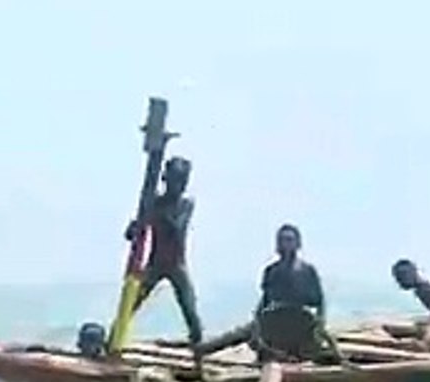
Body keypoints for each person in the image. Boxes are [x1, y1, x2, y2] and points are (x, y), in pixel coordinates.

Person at [196, 224, 343, 363]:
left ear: (298, 243)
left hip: (301, 321)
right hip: (275, 320)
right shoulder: (272, 271)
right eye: (282, 240)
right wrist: (256, 321)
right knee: (241, 334)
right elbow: (265, 300)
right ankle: (202, 349)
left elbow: (319, 302)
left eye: (290, 240)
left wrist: (320, 325)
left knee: (322, 347)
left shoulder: (308, 271)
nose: (286, 244)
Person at [125, 156, 204, 352]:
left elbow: (177, 228)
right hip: (155, 263)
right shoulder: (155, 203)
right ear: (166, 180)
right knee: (132, 302)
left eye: (181, 181)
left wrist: (153, 209)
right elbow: (131, 233)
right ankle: (115, 335)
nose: (178, 186)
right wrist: (137, 223)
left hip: (177, 264)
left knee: (189, 307)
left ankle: (198, 344)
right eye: (174, 180)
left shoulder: (185, 204)